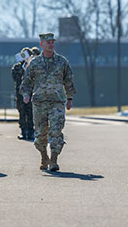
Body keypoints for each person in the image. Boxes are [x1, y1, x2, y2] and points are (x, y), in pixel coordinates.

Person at [20, 33, 76, 172]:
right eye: (48, 42)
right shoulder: (34, 63)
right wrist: (26, 94)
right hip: (39, 102)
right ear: (41, 44)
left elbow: (68, 80)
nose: (51, 44)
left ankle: (54, 160)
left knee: (56, 131)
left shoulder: (62, 61)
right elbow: (26, 81)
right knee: (40, 135)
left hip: (57, 101)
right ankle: (44, 156)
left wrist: (69, 98)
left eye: (52, 42)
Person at [11, 47, 34, 140]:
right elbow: (15, 77)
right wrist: (23, 68)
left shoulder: (34, 66)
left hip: (31, 93)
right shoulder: (17, 67)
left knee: (31, 113)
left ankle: (31, 132)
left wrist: (29, 65)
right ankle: (23, 131)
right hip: (20, 94)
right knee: (22, 113)